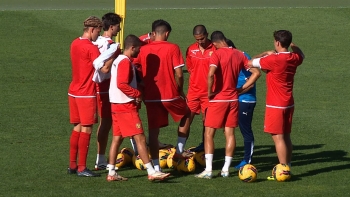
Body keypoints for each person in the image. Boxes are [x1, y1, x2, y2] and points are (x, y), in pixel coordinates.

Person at [195, 31, 261, 179]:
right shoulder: (239, 54)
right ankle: (225, 170)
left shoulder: (216, 54)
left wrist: (210, 92)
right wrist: (242, 89)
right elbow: (257, 73)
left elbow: (211, 74)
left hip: (219, 99)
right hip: (233, 99)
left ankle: (209, 170)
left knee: (209, 133)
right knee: (230, 133)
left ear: (214, 43)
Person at [107, 34, 170, 181]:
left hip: (116, 105)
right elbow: (121, 84)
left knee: (117, 139)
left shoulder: (119, 60)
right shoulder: (125, 62)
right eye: (138, 49)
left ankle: (111, 172)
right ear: (132, 48)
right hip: (125, 106)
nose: (139, 52)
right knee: (140, 138)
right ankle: (151, 171)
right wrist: (136, 94)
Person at [134, 19, 193, 172]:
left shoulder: (143, 49)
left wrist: (142, 87)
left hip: (151, 97)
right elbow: (179, 74)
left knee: (153, 132)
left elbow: (136, 69)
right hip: (170, 95)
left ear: (153, 33)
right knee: (188, 113)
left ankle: (157, 168)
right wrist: (180, 89)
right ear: (167, 33)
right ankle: (179, 151)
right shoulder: (173, 47)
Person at [247, 30, 304, 179]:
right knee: (286, 136)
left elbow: (249, 63)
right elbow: (301, 54)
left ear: (277, 43)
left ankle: (283, 171)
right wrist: (293, 45)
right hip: (289, 103)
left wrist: (264, 53)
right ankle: (287, 166)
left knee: (278, 138)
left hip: (275, 105)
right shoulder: (294, 57)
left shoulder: (273, 60)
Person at [67, 16, 116, 177]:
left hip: (73, 91)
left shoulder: (74, 43)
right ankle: (82, 167)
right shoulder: (91, 48)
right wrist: (112, 55)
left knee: (77, 127)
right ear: (92, 30)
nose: (98, 35)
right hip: (86, 93)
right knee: (87, 128)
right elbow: (103, 70)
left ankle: (72, 165)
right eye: (98, 31)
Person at [92, 12, 122, 171]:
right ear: (112, 26)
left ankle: (101, 159)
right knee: (109, 122)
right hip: (107, 86)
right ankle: (101, 159)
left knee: (107, 122)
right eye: (118, 26)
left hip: (98, 86)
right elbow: (105, 68)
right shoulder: (110, 44)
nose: (119, 29)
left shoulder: (96, 40)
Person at [225, 39, 257, 169]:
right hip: (236, 99)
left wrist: (236, 93)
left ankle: (247, 160)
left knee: (245, 130)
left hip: (246, 100)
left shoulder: (242, 57)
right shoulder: (233, 57)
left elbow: (251, 83)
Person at [185, 25, 216, 153]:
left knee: (207, 122)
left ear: (207, 34)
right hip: (193, 92)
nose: (200, 42)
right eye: (197, 39)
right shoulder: (191, 50)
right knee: (186, 118)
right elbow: (191, 68)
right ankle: (180, 148)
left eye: (202, 38)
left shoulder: (215, 49)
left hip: (209, 93)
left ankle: (204, 146)